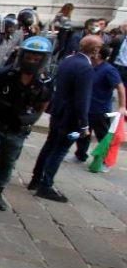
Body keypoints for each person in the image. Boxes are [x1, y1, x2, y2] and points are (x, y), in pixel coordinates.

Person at [0, 36, 54, 219]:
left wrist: (28, 121)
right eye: (28, 56)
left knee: (7, 163)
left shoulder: (45, 83)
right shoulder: (5, 75)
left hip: (16, 131)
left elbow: (42, 106)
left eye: (36, 58)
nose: (31, 61)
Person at [29, 34, 102, 202]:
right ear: (95, 50)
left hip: (58, 111)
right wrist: (84, 124)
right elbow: (82, 99)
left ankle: (36, 179)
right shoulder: (85, 68)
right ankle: (46, 185)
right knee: (59, 150)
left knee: (49, 145)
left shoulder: (68, 60)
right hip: (70, 117)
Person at [74, 44, 126, 167]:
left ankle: (105, 161)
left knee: (103, 136)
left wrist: (122, 106)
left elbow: (120, 87)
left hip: (100, 110)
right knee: (84, 133)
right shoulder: (90, 66)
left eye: (94, 51)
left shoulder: (109, 70)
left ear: (99, 55)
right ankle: (80, 155)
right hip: (87, 107)